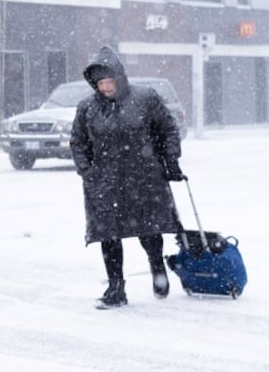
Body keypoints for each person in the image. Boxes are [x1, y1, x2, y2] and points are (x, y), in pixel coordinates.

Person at [70, 46, 184, 309]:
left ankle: (157, 269)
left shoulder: (145, 98)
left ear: (119, 79)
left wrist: (171, 161)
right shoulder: (88, 107)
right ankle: (116, 289)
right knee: (108, 236)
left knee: (149, 228)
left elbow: (167, 129)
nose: (106, 88)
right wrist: (88, 172)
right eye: (100, 83)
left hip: (144, 177)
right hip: (105, 183)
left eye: (109, 82)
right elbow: (78, 141)